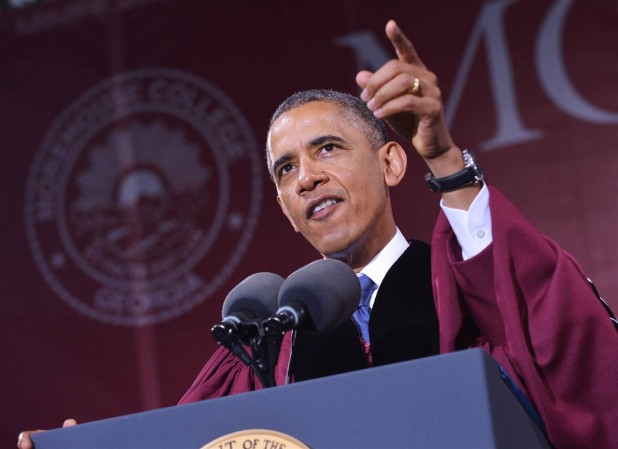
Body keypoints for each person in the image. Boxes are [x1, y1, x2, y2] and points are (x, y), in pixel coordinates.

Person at [18, 19, 618, 449]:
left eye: (327, 148)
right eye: (286, 169)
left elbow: (563, 346)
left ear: (391, 164)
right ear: (282, 205)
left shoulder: (463, 287)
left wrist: (444, 157)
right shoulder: (266, 345)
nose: (306, 178)